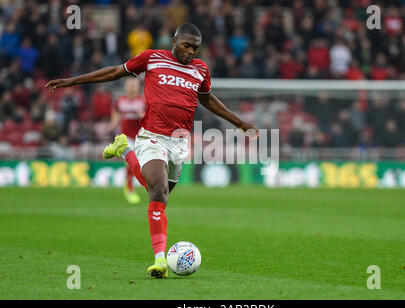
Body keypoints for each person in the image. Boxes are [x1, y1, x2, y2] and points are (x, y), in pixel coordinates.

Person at [45, 23, 258, 278]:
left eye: (195, 48)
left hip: (180, 144)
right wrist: (73, 81)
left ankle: (124, 150)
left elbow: (208, 99)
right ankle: (160, 260)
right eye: (187, 45)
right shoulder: (152, 58)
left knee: (160, 197)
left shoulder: (201, 70)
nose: (191, 51)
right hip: (151, 137)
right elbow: (115, 71)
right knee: (157, 192)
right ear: (174, 40)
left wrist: (240, 123)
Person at [108, 78, 146, 204]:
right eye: (129, 85)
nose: (131, 87)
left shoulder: (143, 101)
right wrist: (112, 124)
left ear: (138, 87)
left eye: (134, 85)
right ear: (125, 87)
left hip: (141, 137)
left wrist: (142, 116)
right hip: (126, 137)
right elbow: (116, 115)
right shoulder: (120, 101)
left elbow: (148, 119)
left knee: (141, 163)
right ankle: (129, 187)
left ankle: (139, 184)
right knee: (130, 162)